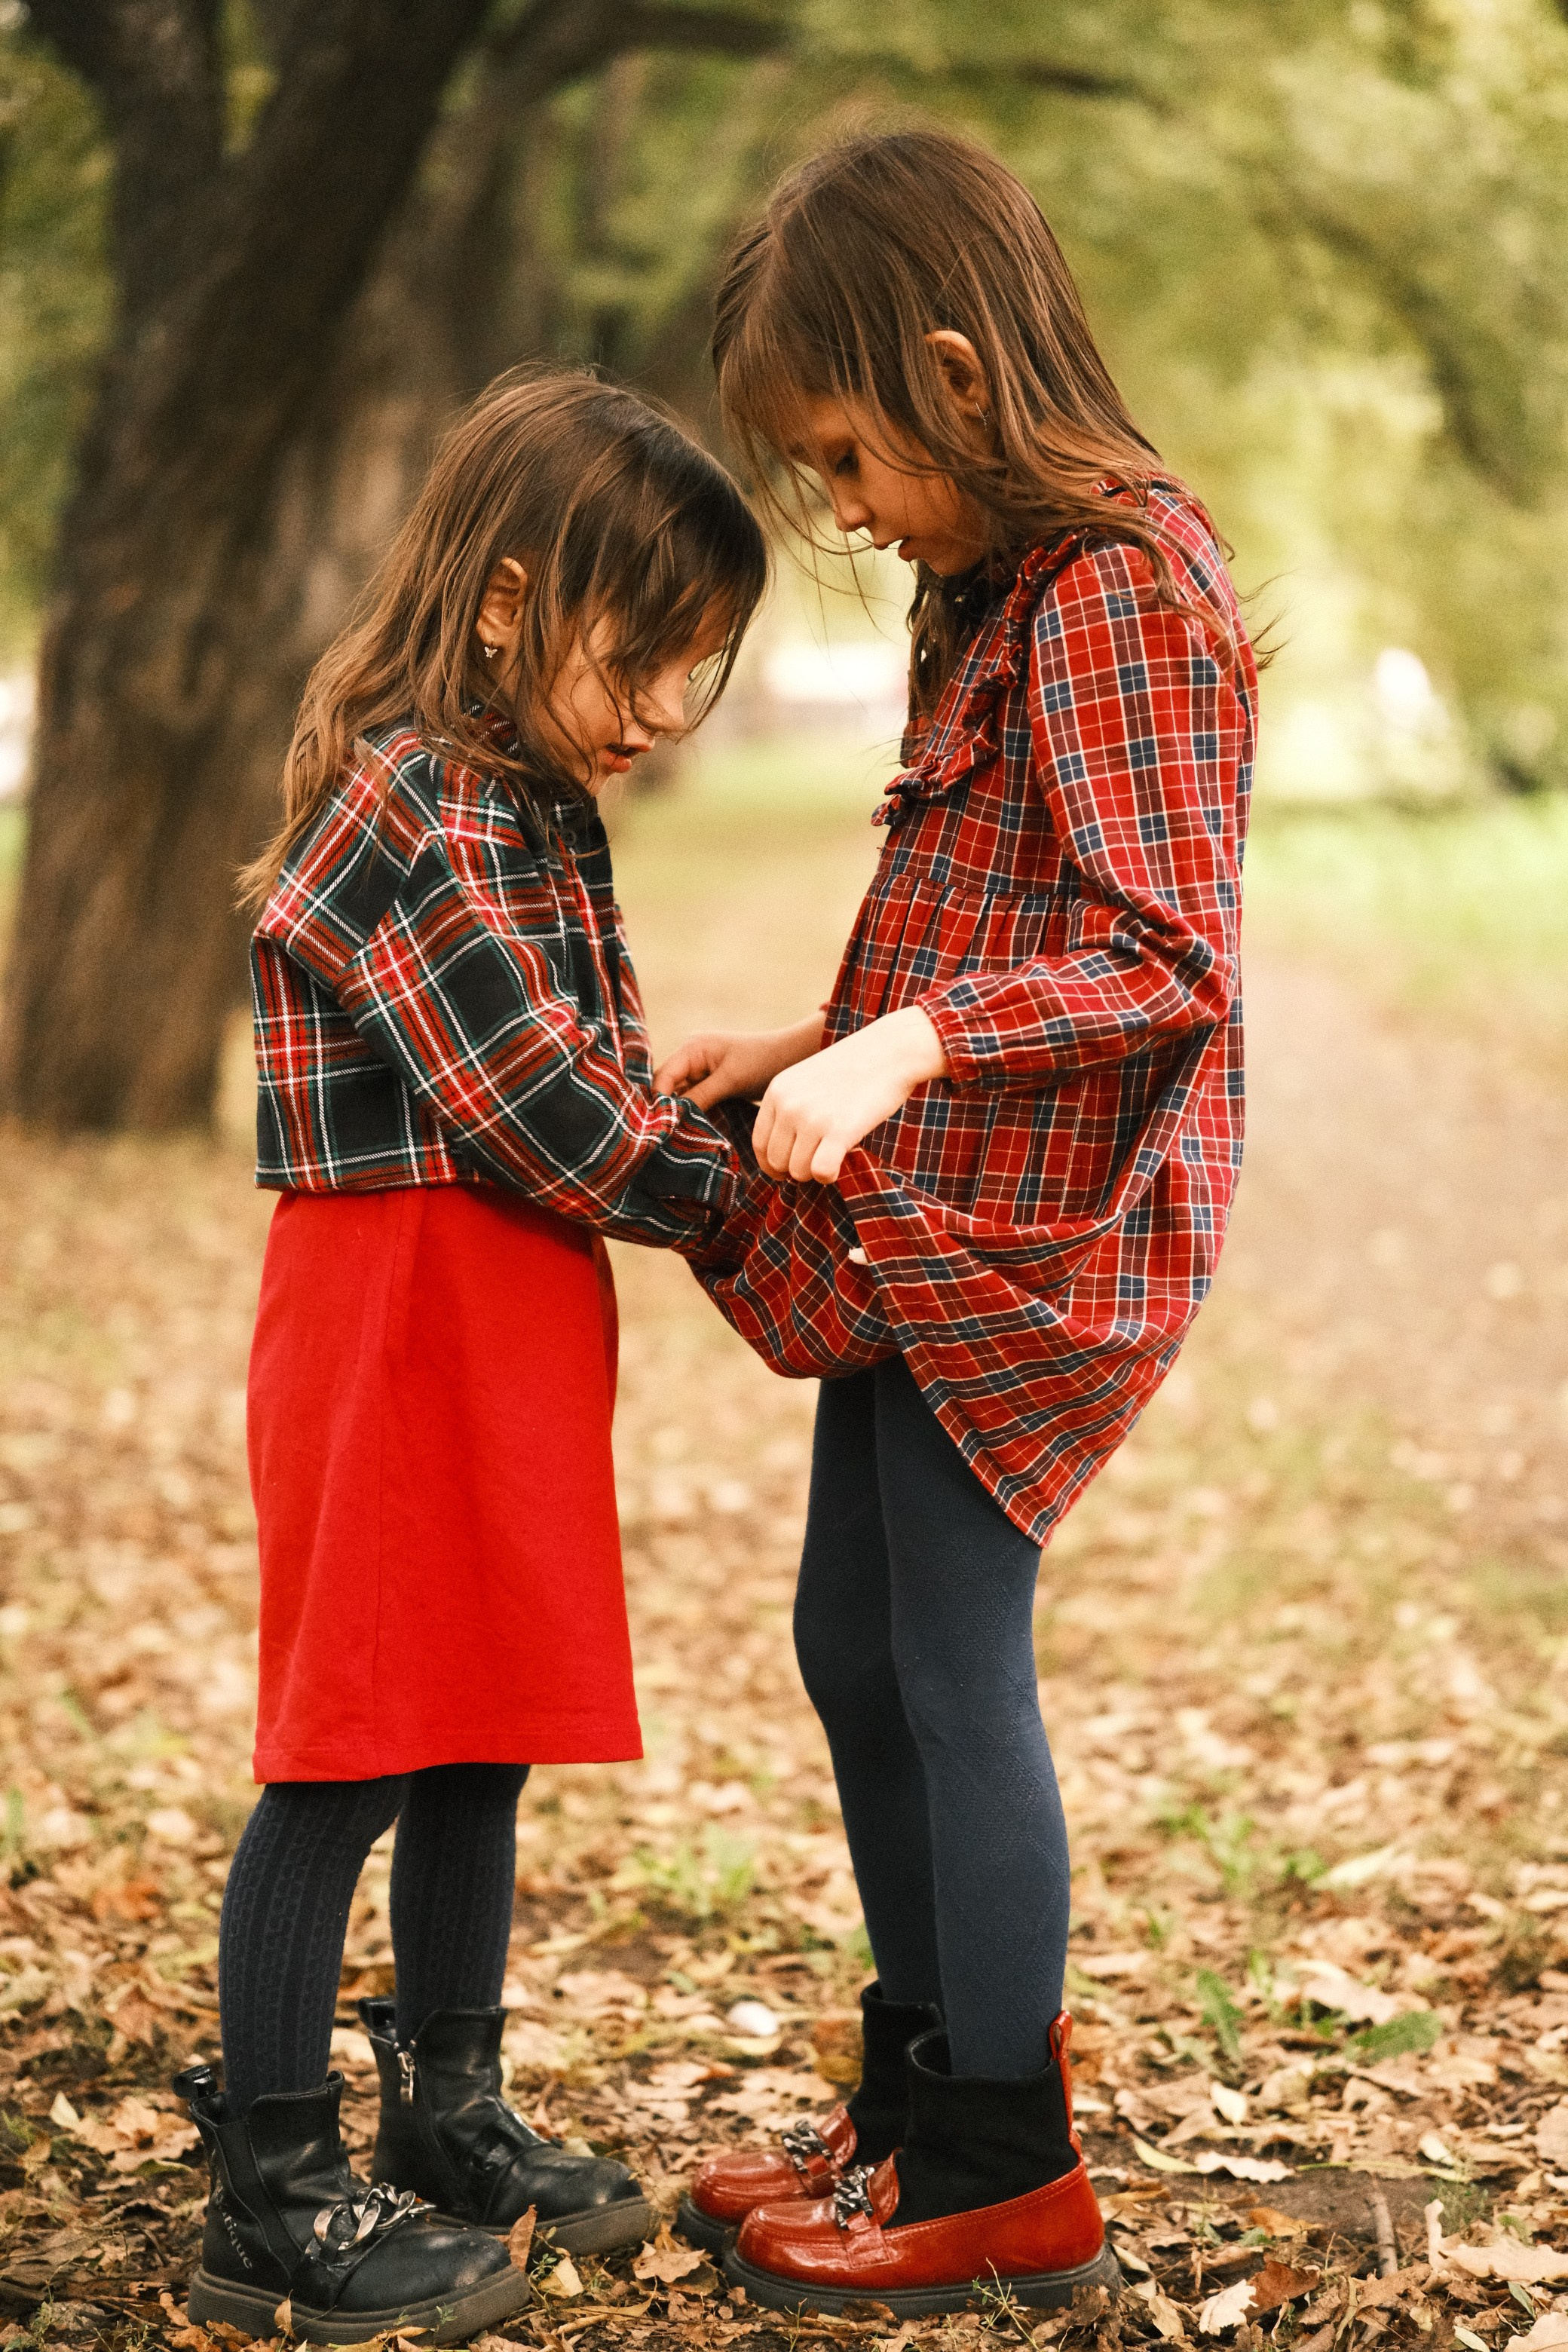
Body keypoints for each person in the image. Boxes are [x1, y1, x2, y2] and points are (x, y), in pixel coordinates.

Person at [660, 130, 1258, 2317]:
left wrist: (904, 1051)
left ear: (948, 369)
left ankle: (1006, 2155)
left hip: (1042, 1221)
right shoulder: (983, 589)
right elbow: (978, 912)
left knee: (946, 1659)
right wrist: (808, 1036)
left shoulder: (1126, 584)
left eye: (842, 454)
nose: (837, 504)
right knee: (850, 1650)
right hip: (934, 1195)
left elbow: (1161, 962)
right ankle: (922, 2094)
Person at [173, 369, 767, 2347]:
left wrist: (693, 1111)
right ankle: (270, 2181)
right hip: (393, 1304)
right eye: (646, 658)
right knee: (350, 1732)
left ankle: (449, 2106)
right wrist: (760, 1186)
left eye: (698, 674)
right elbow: (540, 1105)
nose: (669, 713)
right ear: (510, 603)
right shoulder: (411, 791)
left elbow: (589, 1066)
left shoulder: (535, 796)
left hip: (507, 1307)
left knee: (482, 1713)